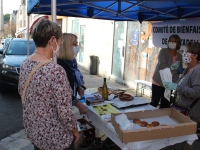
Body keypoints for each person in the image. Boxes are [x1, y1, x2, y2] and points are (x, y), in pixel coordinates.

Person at [18, 19, 79, 150]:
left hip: (36, 134)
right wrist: (75, 130)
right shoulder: (56, 71)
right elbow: (65, 112)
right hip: (56, 139)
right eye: (60, 41)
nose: (59, 45)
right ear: (52, 40)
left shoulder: (25, 64)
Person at [57, 33, 88, 118]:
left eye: (77, 44)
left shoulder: (71, 62)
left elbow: (70, 80)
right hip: (61, 110)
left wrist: (78, 87)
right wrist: (79, 104)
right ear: (65, 46)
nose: (77, 47)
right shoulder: (59, 65)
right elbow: (63, 93)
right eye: (74, 44)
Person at [150, 34, 182, 108]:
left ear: (178, 43)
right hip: (158, 82)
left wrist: (177, 81)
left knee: (165, 104)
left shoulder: (180, 56)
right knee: (154, 102)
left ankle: (162, 119)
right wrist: (172, 67)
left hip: (169, 84)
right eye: (170, 41)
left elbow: (178, 70)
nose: (171, 43)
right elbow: (162, 65)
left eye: (174, 41)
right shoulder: (163, 51)